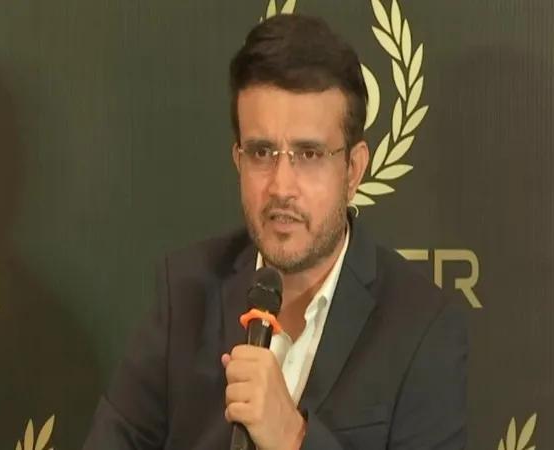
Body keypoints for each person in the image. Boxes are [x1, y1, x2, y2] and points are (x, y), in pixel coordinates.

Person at [83, 13, 467, 450]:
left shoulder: (422, 327)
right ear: (238, 159)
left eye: (309, 154)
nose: (281, 187)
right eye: (262, 152)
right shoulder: (185, 292)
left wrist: (293, 437)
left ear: (353, 169)